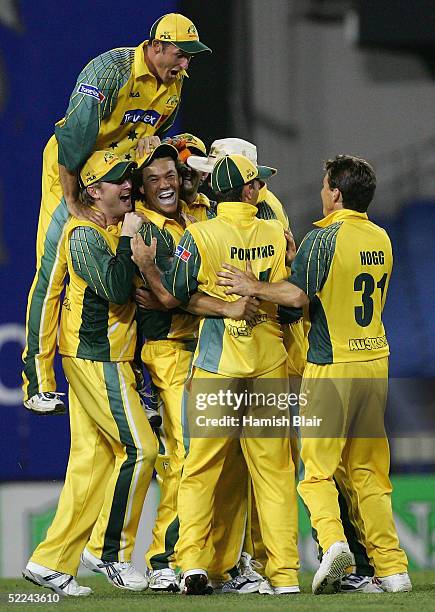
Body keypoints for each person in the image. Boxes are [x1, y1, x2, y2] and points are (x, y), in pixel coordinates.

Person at [217, 154, 411, 595]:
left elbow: (297, 295)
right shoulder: (381, 237)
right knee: (368, 473)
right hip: (375, 361)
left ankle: (333, 543)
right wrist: (298, 258)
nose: (323, 192)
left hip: (332, 364)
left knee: (317, 473)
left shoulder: (324, 236)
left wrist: (253, 286)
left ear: (336, 193)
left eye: (326, 187)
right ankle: (393, 568)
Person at [22, 13, 211, 414]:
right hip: (73, 176)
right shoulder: (111, 71)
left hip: (117, 182)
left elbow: (149, 135)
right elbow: (73, 135)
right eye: (180, 54)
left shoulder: (174, 85)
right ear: (156, 46)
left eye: (190, 58)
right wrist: (72, 199)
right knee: (52, 273)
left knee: (136, 269)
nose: (185, 65)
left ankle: (140, 383)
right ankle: (37, 384)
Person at [131, 153, 300, 595]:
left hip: (217, 364)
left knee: (200, 469)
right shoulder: (272, 233)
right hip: (268, 361)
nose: (260, 189)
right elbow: (289, 296)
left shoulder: (199, 235)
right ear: (247, 191)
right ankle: (283, 576)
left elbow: (179, 296)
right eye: (256, 184)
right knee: (275, 472)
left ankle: (191, 564)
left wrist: (222, 306)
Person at [23, 151, 157, 596]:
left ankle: (51, 562)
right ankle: (108, 551)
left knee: (92, 464)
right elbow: (117, 287)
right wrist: (129, 242)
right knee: (141, 449)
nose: (128, 187)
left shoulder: (107, 228)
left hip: (99, 355)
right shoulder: (83, 234)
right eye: (118, 181)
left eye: (128, 179)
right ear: (93, 191)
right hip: (96, 356)